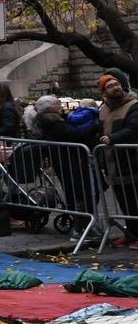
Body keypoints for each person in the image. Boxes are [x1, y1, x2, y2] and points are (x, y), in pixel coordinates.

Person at [33, 94, 98, 234]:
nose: (60, 105)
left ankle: (82, 223)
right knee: (79, 191)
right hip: (69, 160)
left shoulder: (49, 120)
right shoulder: (54, 123)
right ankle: (82, 225)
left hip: (64, 160)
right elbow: (75, 134)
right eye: (56, 103)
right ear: (49, 108)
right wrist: (95, 126)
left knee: (74, 190)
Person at [96, 70, 138, 244]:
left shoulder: (133, 105)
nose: (115, 87)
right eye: (110, 86)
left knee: (135, 199)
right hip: (113, 163)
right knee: (124, 201)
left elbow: (134, 128)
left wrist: (113, 138)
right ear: (104, 92)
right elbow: (99, 130)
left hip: (132, 160)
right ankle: (132, 233)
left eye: (117, 84)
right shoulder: (103, 109)